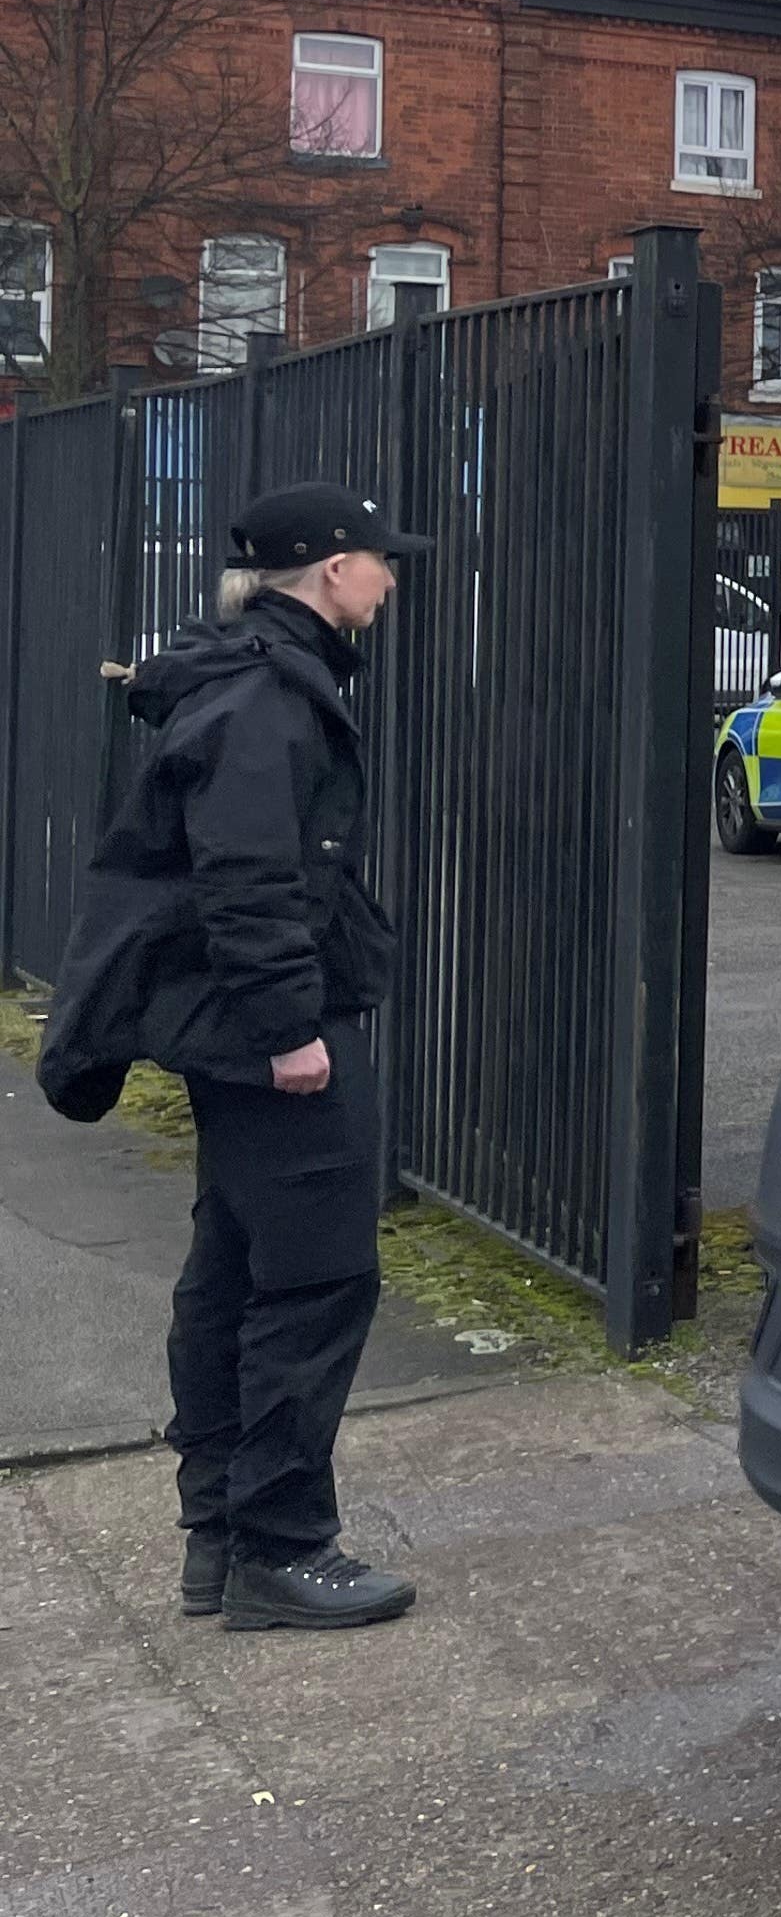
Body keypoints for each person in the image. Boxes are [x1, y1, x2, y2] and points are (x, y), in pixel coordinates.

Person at [38, 482, 429, 1633]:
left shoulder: (245, 673)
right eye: (378, 559)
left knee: (234, 1266)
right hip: (264, 1029)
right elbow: (248, 873)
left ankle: (219, 1531)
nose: (391, 578)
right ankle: (278, 1545)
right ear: (328, 571)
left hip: (229, 1023)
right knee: (313, 1279)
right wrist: (290, 1029)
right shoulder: (266, 695)